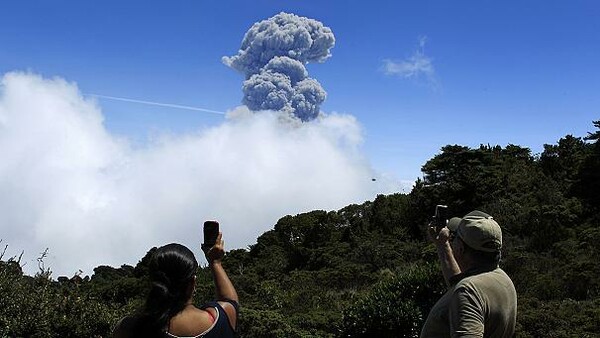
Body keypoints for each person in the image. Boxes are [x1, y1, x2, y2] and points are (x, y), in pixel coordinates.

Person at [112, 230, 239, 338]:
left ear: (153, 282)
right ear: (193, 283)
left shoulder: (128, 328)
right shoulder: (222, 317)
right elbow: (230, 300)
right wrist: (215, 262)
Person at [421, 210, 517, 338]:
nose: (452, 241)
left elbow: (466, 291)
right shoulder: (501, 279)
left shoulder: (468, 292)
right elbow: (457, 282)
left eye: (454, 238)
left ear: (460, 248)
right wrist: (442, 244)